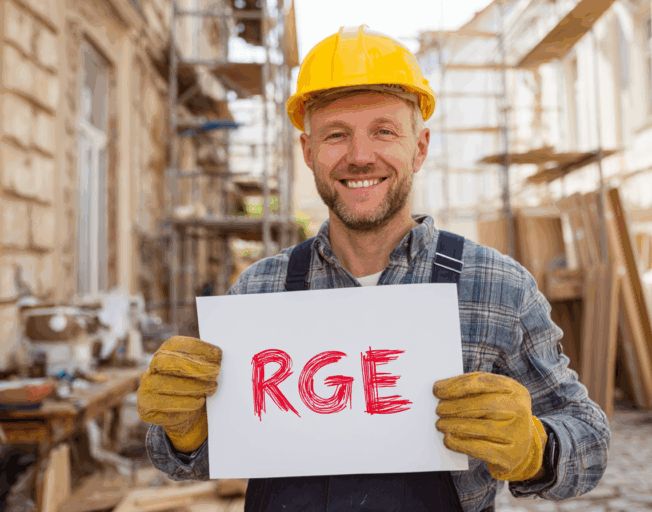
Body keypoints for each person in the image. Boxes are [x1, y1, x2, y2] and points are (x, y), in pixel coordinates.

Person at [138, 25, 610, 512]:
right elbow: (191, 461)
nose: (360, 156)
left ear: (420, 148)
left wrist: (536, 449)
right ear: (308, 152)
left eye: (384, 131)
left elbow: (589, 439)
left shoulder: (496, 287)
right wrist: (185, 429)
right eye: (336, 135)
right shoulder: (259, 292)